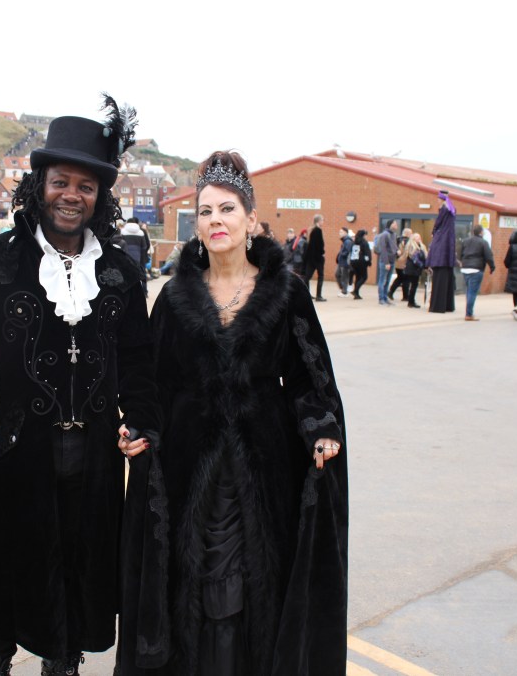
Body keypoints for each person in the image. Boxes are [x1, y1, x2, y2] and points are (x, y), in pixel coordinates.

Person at [0, 96, 161, 676]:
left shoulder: (119, 274)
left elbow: (136, 361)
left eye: (85, 185)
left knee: (77, 593)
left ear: (99, 195)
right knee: (3, 594)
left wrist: (144, 420)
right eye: (61, 182)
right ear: (40, 185)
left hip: (98, 466)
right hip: (18, 456)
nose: (72, 194)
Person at [120, 150, 347, 675]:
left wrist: (320, 428)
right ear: (195, 224)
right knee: (192, 584)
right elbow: (151, 382)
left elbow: (312, 377)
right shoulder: (175, 296)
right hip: (188, 461)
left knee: (248, 585)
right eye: (204, 211)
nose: (215, 220)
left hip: (263, 465)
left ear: (250, 219)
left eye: (226, 209)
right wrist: (138, 427)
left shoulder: (285, 292)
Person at [427, 190, 457, 313]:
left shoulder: (444, 211)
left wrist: (434, 233)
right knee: (447, 277)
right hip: (448, 249)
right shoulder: (451, 211)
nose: (437, 201)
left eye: (438, 199)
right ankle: (448, 305)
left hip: (442, 250)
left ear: (442, 199)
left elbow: (437, 225)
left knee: (440, 278)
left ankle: (438, 306)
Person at [457, 224, 495, 321]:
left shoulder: (465, 241)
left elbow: (460, 253)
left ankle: (468, 312)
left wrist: (462, 262)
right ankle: (469, 314)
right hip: (476, 269)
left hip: (465, 269)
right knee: (472, 292)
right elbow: (488, 256)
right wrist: (492, 267)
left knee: (469, 291)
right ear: (481, 232)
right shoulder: (483, 242)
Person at [120, 216, 151, 292]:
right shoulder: (141, 232)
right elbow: (145, 246)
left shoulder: (123, 232)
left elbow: (120, 244)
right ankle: (144, 290)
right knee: (141, 274)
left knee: (126, 274)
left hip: (126, 257)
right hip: (139, 258)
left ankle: (127, 291)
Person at [301, 214, 327, 301]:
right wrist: (322, 253)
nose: (323, 222)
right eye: (322, 220)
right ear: (319, 221)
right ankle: (319, 296)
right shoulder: (318, 231)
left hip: (311, 258)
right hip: (317, 258)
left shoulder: (312, 230)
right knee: (320, 276)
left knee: (307, 277)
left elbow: (310, 246)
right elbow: (319, 245)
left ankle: (306, 294)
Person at [374, 220, 399, 305]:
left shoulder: (394, 235)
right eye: (395, 223)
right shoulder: (385, 234)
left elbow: (393, 247)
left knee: (388, 281)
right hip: (385, 261)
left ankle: (385, 298)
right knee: (382, 280)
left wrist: (397, 252)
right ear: (390, 224)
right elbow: (383, 249)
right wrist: (386, 262)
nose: (397, 225)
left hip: (392, 261)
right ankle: (381, 299)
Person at [402, 232, 428, 308]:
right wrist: (423, 266)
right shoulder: (411, 246)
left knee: (414, 285)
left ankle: (411, 300)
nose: (419, 238)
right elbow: (415, 259)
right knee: (414, 285)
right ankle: (411, 301)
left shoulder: (421, 246)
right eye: (417, 237)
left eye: (419, 237)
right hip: (412, 268)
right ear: (413, 238)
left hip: (417, 269)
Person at [388, 227, 413, 302]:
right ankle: (404, 296)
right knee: (405, 279)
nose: (411, 235)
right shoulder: (406, 241)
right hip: (403, 263)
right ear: (408, 234)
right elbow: (406, 252)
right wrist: (406, 263)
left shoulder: (397, 239)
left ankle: (391, 293)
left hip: (397, 262)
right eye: (411, 233)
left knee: (400, 278)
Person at [349, 228, 372, 299]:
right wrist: (369, 261)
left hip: (354, 261)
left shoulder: (354, 242)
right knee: (364, 277)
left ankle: (357, 294)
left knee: (358, 277)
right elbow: (367, 253)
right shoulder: (364, 242)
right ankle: (355, 291)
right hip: (361, 262)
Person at [335, 227, 353, 297]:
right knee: (337, 274)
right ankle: (343, 289)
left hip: (345, 262)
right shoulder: (344, 241)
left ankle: (344, 291)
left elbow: (347, 251)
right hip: (341, 262)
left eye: (341, 232)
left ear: (345, 232)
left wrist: (342, 254)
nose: (340, 233)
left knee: (344, 277)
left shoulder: (347, 241)